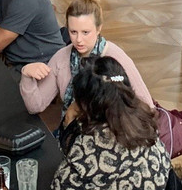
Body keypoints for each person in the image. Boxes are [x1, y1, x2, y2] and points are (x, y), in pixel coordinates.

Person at [19, 0, 152, 129]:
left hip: (112, 133)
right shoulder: (61, 58)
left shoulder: (116, 58)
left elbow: (147, 106)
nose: (79, 40)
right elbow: (36, 106)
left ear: (99, 28)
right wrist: (26, 74)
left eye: (85, 32)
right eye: (73, 32)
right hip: (72, 131)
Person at [50, 57, 175, 190]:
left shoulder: (92, 144)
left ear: (86, 105)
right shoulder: (144, 120)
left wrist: (68, 123)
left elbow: (59, 185)